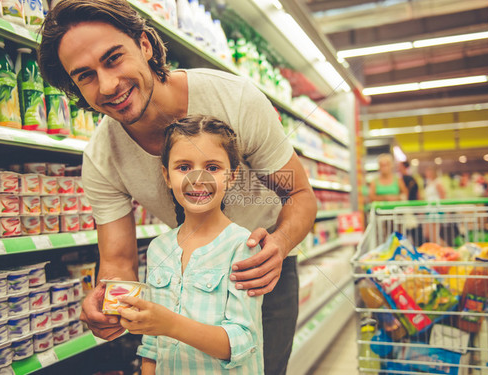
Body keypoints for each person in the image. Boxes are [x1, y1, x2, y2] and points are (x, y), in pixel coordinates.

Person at [38, 1, 318, 374]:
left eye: (113, 58)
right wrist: (109, 302)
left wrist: (279, 246)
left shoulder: (234, 100)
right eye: (85, 76)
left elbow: (298, 194)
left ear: (146, 45)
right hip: (185, 276)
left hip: (260, 273)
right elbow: (119, 261)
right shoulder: (103, 157)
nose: (107, 85)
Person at [120, 116, 263, 374]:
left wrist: (171, 324)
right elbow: (152, 341)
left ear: (232, 176)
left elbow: (242, 342)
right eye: (184, 167)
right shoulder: (158, 249)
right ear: (166, 175)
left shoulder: (243, 246)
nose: (197, 179)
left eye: (212, 167)